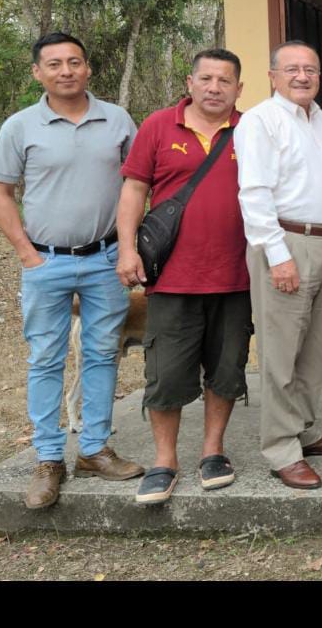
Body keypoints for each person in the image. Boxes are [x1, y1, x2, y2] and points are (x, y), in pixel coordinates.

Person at [0, 32, 143, 509]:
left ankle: (94, 449)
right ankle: (49, 458)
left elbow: (136, 186)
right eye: (54, 64)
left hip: (105, 260)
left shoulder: (117, 120)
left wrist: (128, 249)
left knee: (102, 355)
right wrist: (27, 254)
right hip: (45, 261)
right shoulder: (19, 126)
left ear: (88, 68)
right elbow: (0, 193)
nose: (66, 71)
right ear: (38, 72)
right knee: (45, 358)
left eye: (74, 62)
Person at [116, 48, 251, 504]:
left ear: (238, 88)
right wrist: (127, 249)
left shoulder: (251, 129)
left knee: (227, 369)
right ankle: (164, 460)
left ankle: (213, 451)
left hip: (237, 276)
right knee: (166, 374)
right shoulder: (158, 126)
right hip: (173, 277)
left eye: (225, 80)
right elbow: (134, 190)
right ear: (190, 83)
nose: (215, 88)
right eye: (206, 79)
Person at [234, 40, 322, 490]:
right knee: (281, 354)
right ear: (272, 76)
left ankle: (304, 429)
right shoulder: (261, 121)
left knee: (315, 350)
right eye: (292, 69)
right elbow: (254, 192)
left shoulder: (320, 119)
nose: (303, 76)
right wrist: (277, 256)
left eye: (311, 69)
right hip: (286, 244)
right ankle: (281, 449)